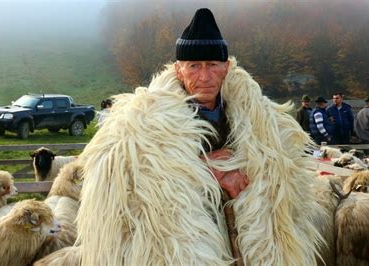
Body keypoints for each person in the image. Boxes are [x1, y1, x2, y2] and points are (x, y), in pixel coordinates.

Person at [77, 8, 323, 265]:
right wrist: (206, 170)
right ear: (178, 69)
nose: (204, 77)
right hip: (181, 250)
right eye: (194, 66)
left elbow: (280, 177)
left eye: (212, 66)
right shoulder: (141, 125)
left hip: (251, 247)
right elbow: (135, 182)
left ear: (226, 68)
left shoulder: (262, 122)